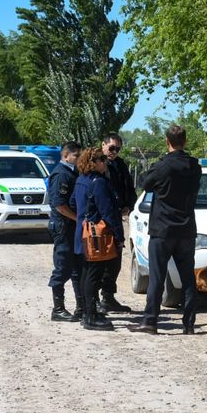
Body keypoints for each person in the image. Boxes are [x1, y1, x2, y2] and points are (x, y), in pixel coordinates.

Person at [127, 125, 202, 335]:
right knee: (188, 278)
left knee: (157, 277)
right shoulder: (195, 166)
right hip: (186, 229)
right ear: (185, 141)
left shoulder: (162, 166)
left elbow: (145, 184)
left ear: (167, 141)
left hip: (163, 229)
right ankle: (189, 324)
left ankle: (150, 321)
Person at [70, 147, 125, 331]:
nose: (105, 162)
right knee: (94, 274)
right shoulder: (98, 182)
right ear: (93, 162)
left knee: (87, 273)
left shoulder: (80, 180)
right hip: (96, 237)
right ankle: (90, 316)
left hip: (82, 234)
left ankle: (88, 311)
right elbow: (108, 211)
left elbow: (72, 203)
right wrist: (119, 235)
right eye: (101, 159)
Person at [97, 133, 137, 313]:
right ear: (103, 145)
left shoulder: (119, 165)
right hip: (100, 219)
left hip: (117, 217)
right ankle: (93, 299)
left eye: (118, 149)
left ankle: (108, 297)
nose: (114, 152)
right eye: (111, 148)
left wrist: (128, 205)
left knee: (115, 260)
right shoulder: (96, 163)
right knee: (98, 260)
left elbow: (128, 186)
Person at [47, 141, 83, 322]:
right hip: (63, 225)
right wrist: (77, 218)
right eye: (76, 156)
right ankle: (58, 309)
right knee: (63, 267)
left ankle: (81, 307)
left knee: (77, 267)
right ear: (65, 156)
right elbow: (59, 204)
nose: (78, 159)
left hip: (72, 226)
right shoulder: (61, 174)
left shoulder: (73, 172)